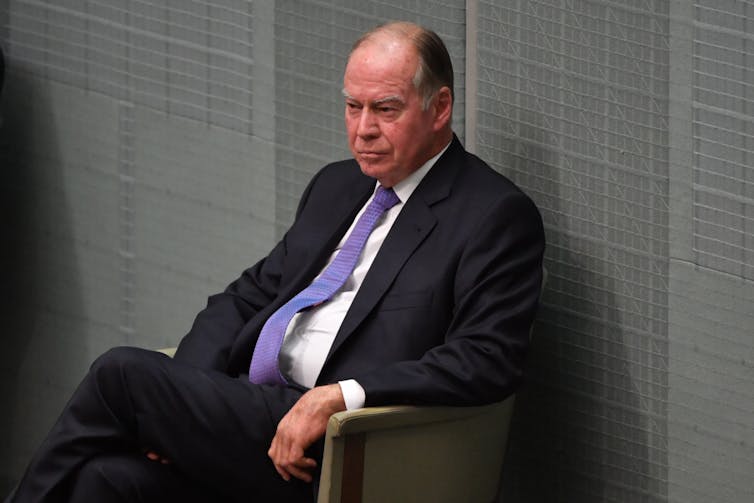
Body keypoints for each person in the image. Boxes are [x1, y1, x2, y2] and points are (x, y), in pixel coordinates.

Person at [5, 21, 545, 503]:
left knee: (121, 372)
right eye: (352, 106)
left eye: (385, 108)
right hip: (253, 413)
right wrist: (181, 413)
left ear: (440, 107)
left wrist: (339, 397)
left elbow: (486, 358)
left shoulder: (492, 215)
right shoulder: (339, 185)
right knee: (104, 479)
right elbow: (248, 296)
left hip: (337, 446)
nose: (363, 129)